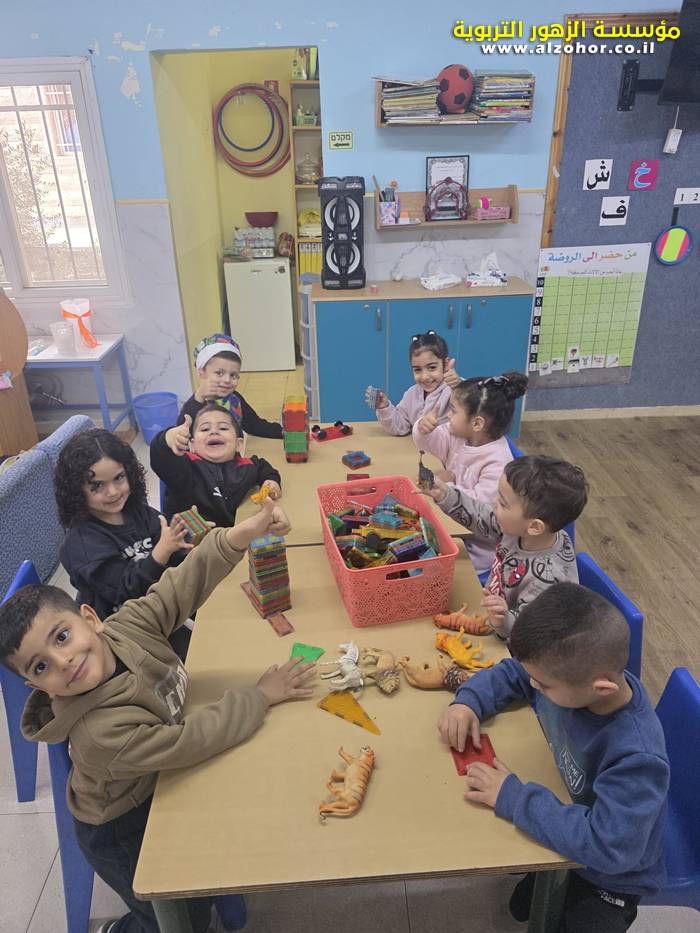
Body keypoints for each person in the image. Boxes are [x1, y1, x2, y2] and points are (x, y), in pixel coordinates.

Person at [1, 499, 315, 933]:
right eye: (40, 666)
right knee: (178, 919)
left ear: (91, 619)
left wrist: (239, 535)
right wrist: (259, 696)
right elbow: (189, 741)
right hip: (122, 826)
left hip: (156, 778)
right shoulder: (100, 734)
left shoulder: (125, 627)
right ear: (37, 686)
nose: (63, 660)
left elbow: (178, 587)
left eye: (62, 636)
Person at [438, 583, 669, 932]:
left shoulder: (637, 757)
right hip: (567, 812)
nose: (534, 686)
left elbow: (609, 848)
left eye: (543, 685)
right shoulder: (569, 677)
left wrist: (514, 798)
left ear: (601, 688)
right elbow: (516, 672)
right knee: (527, 903)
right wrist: (468, 702)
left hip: (609, 879)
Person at [424, 456, 588, 636]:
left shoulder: (546, 581)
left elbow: (531, 631)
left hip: (512, 640)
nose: (494, 503)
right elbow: (481, 517)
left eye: (502, 503)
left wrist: (504, 620)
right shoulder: (521, 530)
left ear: (534, 527)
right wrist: (445, 494)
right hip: (491, 610)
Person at [55, 428, 191, 622]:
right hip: (119, 628)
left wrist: (184, 546)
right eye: (97, 485)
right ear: (76, 490)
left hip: (159, 608)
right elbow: (125, 590)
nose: (113, 492)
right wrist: (161, 553)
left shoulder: (137, 511)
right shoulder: (80, 545)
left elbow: (173, 550)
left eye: (119, 477)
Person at [413, 372, 528, 574]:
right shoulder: (459, 434)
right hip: (453, 524)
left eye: (453, 410)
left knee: (417, 565)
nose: (449, 415)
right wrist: (424, 429)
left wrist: (447, 487)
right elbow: (430, 443)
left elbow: (480, 512)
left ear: (477, 423)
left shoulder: (498, 462)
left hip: (477, 551)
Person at [151, 402, 282, 524]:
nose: (214, 432)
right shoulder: (186, 467)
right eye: (205, 429)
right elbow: (162, 458)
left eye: (223, 428)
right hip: (193, 539)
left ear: (238, 444)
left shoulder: (245, 466)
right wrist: (167, 438)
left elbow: (261, 466)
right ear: (192, 445)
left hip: (234, 534)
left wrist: (270, 480)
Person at [179, 333, 283, 438]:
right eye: (219, 373)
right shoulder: (195, 405)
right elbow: (181, 433)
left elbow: (254, 425)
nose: (227, 380)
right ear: (201, 373)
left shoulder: (235, 399)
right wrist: (199, 396)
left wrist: (282, 431)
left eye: (233, 375)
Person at [367, 330, 461, 436]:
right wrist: (384, 407)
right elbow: (400, 427)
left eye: (432, 367)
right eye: (417, 369)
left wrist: (459, 386)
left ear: (446, 364)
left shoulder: (453, 388)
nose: (424, 377)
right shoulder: (411, 394)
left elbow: (474, 404)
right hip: (416, 446)